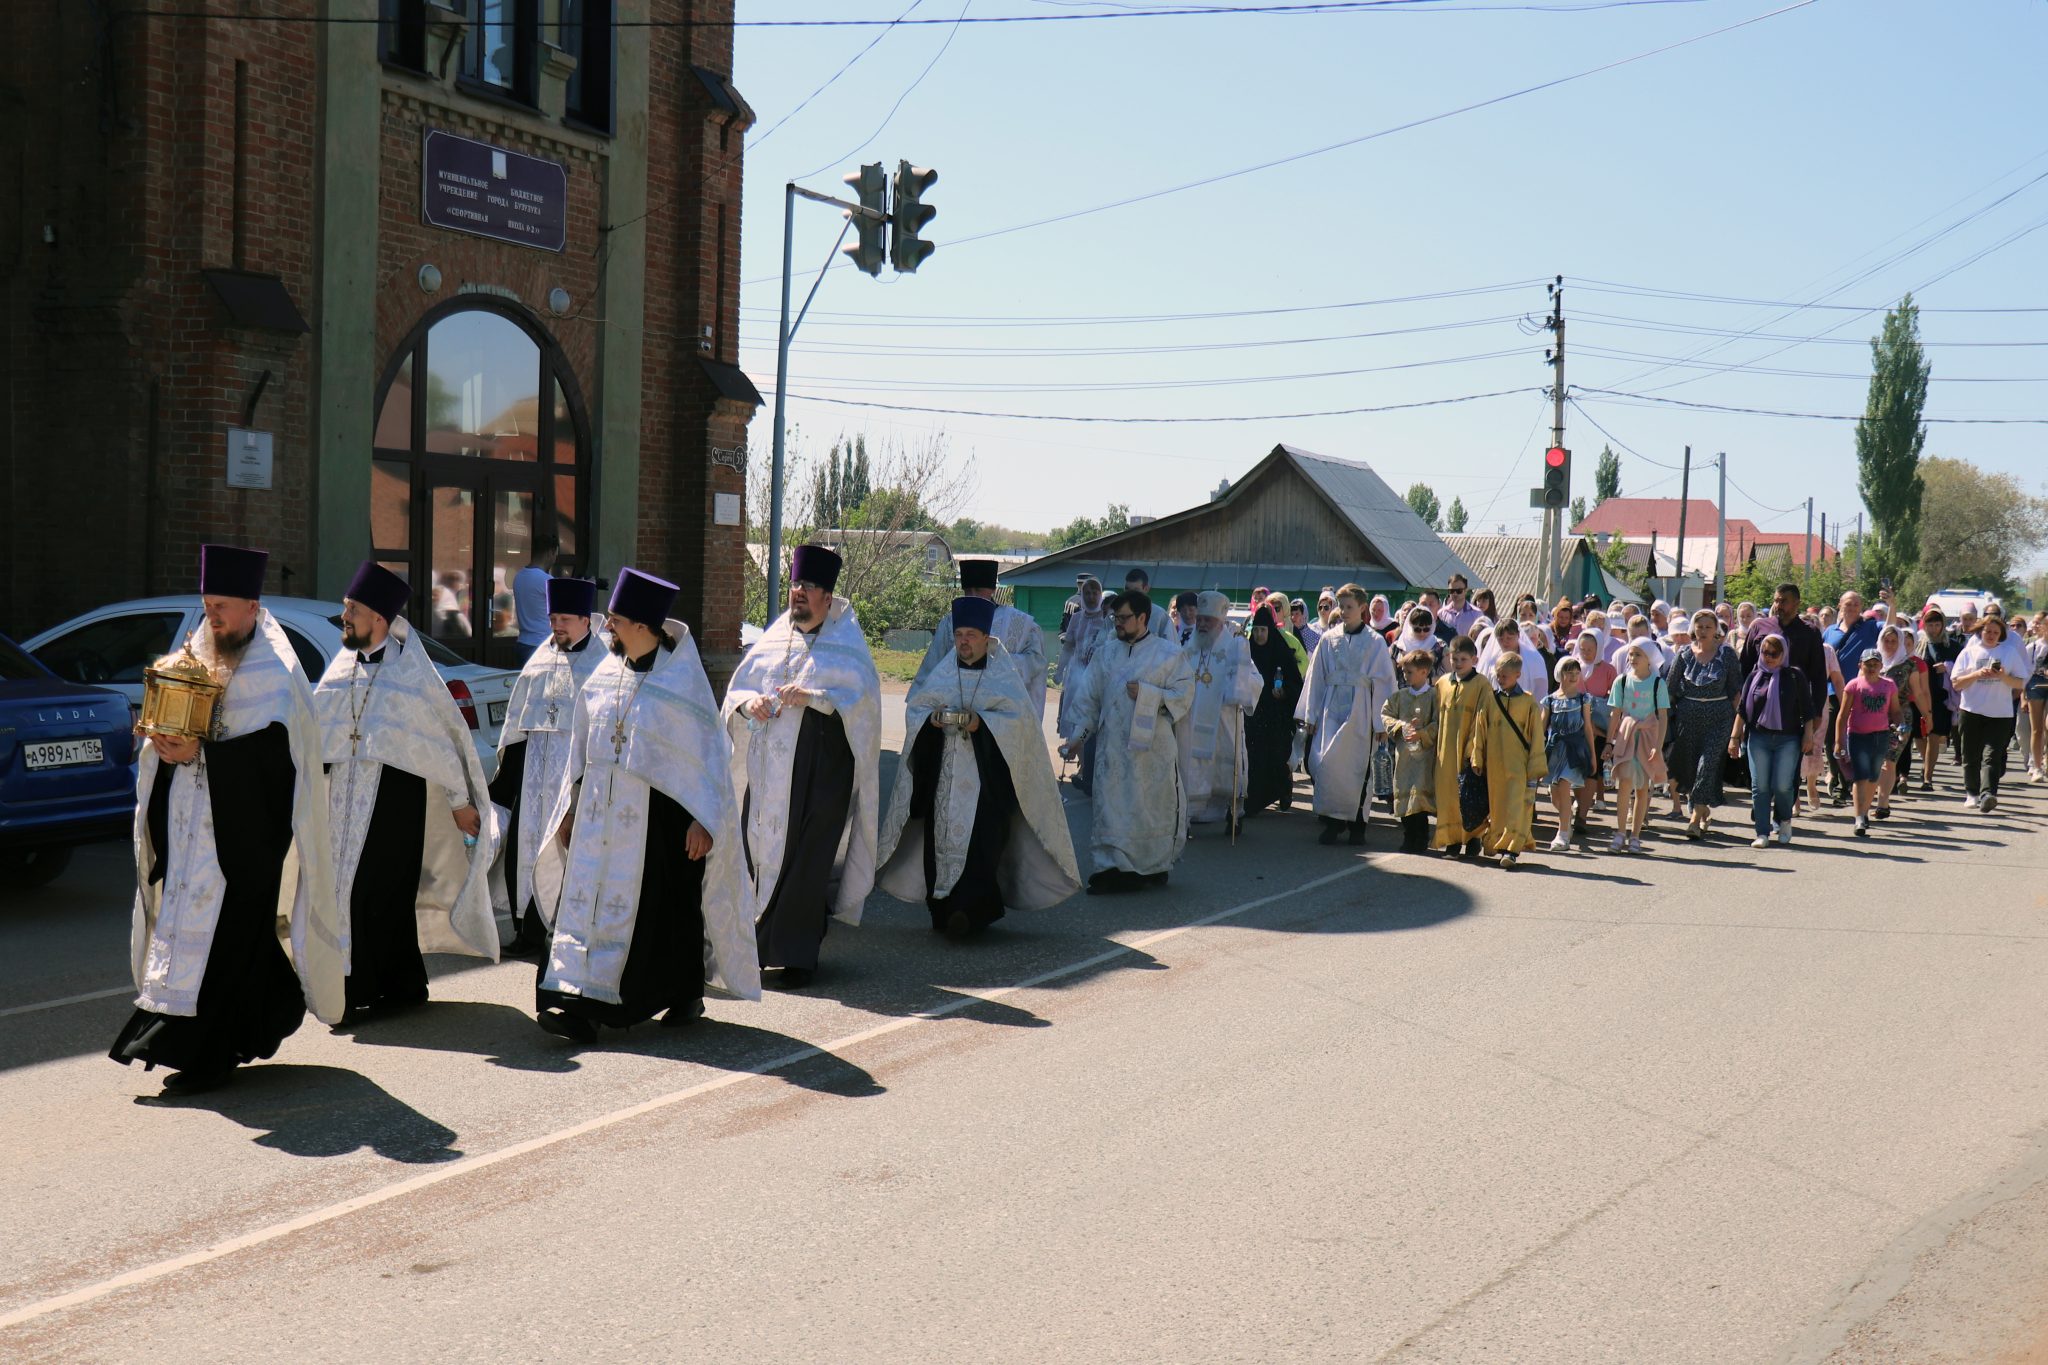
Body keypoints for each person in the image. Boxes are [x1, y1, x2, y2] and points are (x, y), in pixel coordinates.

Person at [110, 545, 343, 1093]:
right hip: (194, 832)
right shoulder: (196, 652)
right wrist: (161, 748)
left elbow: (278, 760)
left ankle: (206, 1058)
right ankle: (241, 1027)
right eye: (207, 605)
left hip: (245, 837)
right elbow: (169, 728)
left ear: (254, 608)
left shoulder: (278, 672)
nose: (210, 617)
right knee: (207, 940)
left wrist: (202, 755)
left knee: (230, 941)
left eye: (222, 607)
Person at [528, 570, 760, 1042]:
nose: (607, 628)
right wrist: (569, 809)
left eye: (614, 620)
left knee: (664, 912)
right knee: (584, 905)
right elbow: (580, 747)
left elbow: (709, 759)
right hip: (598, 818)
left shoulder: (681, 685)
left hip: (660, 819)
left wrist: (703, 820)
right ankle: (570, 1001)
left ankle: (674, 994)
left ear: (641, 625)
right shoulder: (604, 675)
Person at [312, 562, 498, 1018]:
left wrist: (459, 802)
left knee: (381, 894)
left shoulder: (413, 675)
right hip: (343, 803)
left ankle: (385, 987)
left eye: (352, 609)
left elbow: (440, 743)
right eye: (345, 609)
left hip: (397, 799)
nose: (345, 618)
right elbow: (317, 733)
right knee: (346, 891)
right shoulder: (340, 671)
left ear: (378, 617)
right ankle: (368, 985)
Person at [724, 545, 882, 989]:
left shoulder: (846, 644)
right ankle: (757, 943)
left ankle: (796, 954)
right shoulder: (775, 637)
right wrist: (747, 702)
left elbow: (864, 704)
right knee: (761, 851)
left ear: (827, 599)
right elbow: (738, 690)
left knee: (807, 861)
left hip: (820, 773)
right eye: (795, 585)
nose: (799, 593)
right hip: (769, 772)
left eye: (809, 587)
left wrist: (814, 698)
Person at [877, 597, 1081, 935]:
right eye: (959, 634)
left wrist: (982, 725)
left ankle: (971, 914)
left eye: (972, 634)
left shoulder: (1004, 675)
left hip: (987, 784)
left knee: (981, 849)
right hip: (944, 779)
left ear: (987, 638)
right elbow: (917, 711)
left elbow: (1020, 727)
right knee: (939, 842)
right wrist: (932, 721)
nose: (964, 642)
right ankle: (942, 911)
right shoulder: (944, 671)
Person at [489, 576, 605, 960]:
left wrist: (580, 795)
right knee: (523, 851)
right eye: (553, 617)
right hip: (534, 779)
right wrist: (504, 788)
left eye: (565, 619)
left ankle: (563, 935)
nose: (557, 625)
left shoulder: (602, 666)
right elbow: (518, 726)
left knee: (566, 857)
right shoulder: (539, 659)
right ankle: (525, 932)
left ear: (585, 620)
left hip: (573, 785)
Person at [1057, 590, 1196, 893]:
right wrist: (1077, 739)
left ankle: (1152, 866)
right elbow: (1089, 701)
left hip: (1152, 755)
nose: (1117, 623)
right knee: (1111, 807)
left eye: (1123, 618)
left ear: (1142, 618)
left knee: (1149, 809)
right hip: (1113, 752)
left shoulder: (1168, 655)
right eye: (1115, 618)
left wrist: (1150, 694)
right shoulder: (1106, 654)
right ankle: (1111, 867)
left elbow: (1184, 695)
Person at [1299, 583, 1397, 846]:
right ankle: (1332, 821)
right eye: (1340, 606)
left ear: (1362, 608)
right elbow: (1316, 677)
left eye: (1349, 607)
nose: (1343, 611)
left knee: (1358, 768)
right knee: (1328, 764)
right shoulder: (1329, 639)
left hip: (1361, 711)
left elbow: (1384, 683)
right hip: (1332, 707)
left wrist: (1381, 721)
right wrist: (1310, 714)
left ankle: (1357, 825)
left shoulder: (1375, 642)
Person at [913, 558, 1048, 720]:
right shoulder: (950, 622)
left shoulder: (1021, 623)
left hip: (998, 715)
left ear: (992, 589)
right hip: (956, 707)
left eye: (978, 590)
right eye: (968, 590)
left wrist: (994, 659)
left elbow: (1036, 664)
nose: (973, 596)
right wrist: (921, 710)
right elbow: (932, 666)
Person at [1178, 591, 1261, 828]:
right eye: (1200, 619)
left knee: (1226, 765)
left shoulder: (1235, 647)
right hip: (1192, 718)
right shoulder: (1189, 647)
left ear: (1221, 622)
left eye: (1208, 620)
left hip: (1223, 717)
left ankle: (1234, 813)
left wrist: (1238, 688)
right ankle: (1192, 811)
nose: (1202, 625)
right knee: (1193, 763)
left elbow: (1256, 680)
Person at [1731, 632, 1816, 848]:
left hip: (1788, 738)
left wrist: (1808, 736)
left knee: (1783, 785)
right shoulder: (1754, 676)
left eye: (1774, 653)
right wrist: (1734, 738)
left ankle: (1784, 820)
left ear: (1784, 653)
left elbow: (1807, 711)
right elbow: (1742, 710)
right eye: (1765, 652)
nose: (1769, 657)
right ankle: (1762, 832)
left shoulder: (1794, 676)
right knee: (1760, 786)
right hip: (1758, 736)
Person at [1665, 609, 1740, 841]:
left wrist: (1739, 727)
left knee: (1706, 767)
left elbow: (1736, 692)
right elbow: (1670, 690)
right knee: (1690, 769)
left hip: (1719, 719)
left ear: (1715, 629)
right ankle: (1702, 807)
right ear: (1693, 629)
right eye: (1700, 626)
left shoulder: (1726, 655)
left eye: (1709, 627)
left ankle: (1694, 821)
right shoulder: (1684, 655)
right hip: (1688, 719)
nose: (1704, 631)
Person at [1949, 611, 2029, 812]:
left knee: (1992, 756)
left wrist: (2003, 676)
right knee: (1971, 754)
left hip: (2000, 713)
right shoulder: (1969, 652)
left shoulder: (2009, 652)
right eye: (1988, 631)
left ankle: (1988, 794)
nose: (1991, 635)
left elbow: (2020, 682)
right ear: (1980, 631)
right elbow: (1956, 684)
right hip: (1971, 710)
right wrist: (1976, 674)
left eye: (1996, 632)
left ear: (2001, 634)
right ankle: (1971, 793)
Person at [1468, 654, 1541, 868]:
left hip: (1518, 764)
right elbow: (1480, 730)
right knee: (1497, 805)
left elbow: (1536, 736)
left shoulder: (1528, 702)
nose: (1500, 679)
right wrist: (1477, 758)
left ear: (1518, 675)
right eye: (1498, 675)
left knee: (1515, 806)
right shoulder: (1490, 699)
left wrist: (1534, 767)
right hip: (1494, 764)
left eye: (1505, 676)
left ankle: (1511, 849)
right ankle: (1496, 841)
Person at [1605, 643, 1669, 854]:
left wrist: (1658, 747)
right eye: (1631, 654)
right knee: (1624, 783)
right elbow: (1615, 713)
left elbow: (1662, 716)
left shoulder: (1657, 684)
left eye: (1638, 654)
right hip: (1626, 737)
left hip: (1647, 738)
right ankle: (1620, 832)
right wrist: (1609, 742)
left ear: (1649, 658)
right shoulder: (1621, 681)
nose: (1632, 658)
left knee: (1642, 789)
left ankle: (1635, 835)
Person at [1431, 636, 1488, 858]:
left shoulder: (1481, 684)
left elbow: (1481, 721)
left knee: (1468, 796)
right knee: (1447, 796)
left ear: (1474, 659)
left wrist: (1474, 752)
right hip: (1444, 751)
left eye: (1463, 659)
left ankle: (1473, 837)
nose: (1458, 663)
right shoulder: (1443, 683)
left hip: (1466, 750)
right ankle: (1452, 841)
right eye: (1454, 659)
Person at [1834, 648, 1901, 838]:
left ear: (1881, 666)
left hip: (1880, 736)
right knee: (1860, 776)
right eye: (1868, 664)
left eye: (1875, 664)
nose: (1871, 668)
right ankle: (1859, 817)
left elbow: (1895, 710)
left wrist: (1899, 725)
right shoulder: (1854, 686)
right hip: (1857, 736)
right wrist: (1839, 741)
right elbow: (1842, 715)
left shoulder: (1889, 686)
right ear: (1860, 666)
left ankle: (1864, 809)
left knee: (1873, 776)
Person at [1243, 606, 1303, 814]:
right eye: (1256, 630)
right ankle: (1254, 799)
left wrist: (1285, 692)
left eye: (1263, 630)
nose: (1259, 635)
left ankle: (1283, 787)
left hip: (1276, 715)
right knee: (1253, 757)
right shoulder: (1247, 652)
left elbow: (1296, 682)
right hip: (1253, 714)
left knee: (1275, 756)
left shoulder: (1281, 652)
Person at [1056, 575, 1113, 793]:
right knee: (1076, 719)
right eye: (1087, 593)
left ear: (1101, 594)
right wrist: (1060, 670)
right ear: (1081, 594)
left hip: (1096, 677)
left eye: (1094, 592)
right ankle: (1082, 765)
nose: (1090, 596)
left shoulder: (1107, 619)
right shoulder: (1077, 618)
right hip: (1076, 675)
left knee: (1091, 721)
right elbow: (1069, 646)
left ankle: (1088, 768)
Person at [1382, 650, 1438, 853]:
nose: (1405, 676)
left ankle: (1421, 837)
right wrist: (1401, 726)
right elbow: (1386, 714)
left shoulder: (1434, 696)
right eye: (1404, 672)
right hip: (1404, 756)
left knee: (1420, 801)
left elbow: (1438, 722)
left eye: (1410, 672)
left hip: (1425, 757)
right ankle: (1408, 835)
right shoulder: (1399, 696)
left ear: (1424, 672)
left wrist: (1422, 733)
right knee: (1404, 795)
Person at [1540, 656, 1597, 852]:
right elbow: (1541, 729)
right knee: (1556, 796)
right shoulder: (1550, 700)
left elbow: (1588, 728)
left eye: (1576, 673)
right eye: (1568, 673)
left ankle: (1562, 834)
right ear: (1559, 675)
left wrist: (1592, 755)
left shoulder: (1583, 699)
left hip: (1574, 750)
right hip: (1555, 750)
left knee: (1564, 784)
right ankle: (1567, 817)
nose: (1573, 677)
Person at [1875, 624, 1931, 817]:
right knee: (1875, 761)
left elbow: (1919, 692)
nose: (1889, 644)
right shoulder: (1872, 662)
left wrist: (1927, 715)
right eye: (1886, 641)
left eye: (1894, 641)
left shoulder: (1909, 665)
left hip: (1900, 718)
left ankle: (1883, 803)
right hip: (1872, 717)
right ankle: (1873, 797)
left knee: (1889, 761)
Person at [512, 534, 559, 662]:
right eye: (555, 554)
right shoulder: (547, 581)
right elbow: (564, 609)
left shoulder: (518, 577)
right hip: (541, 646)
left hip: (522, 643)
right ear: (550, 552)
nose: (555, 559)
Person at [1477, 617, 1545, 694]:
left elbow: (1540, 687)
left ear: (1518, 635)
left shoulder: (1533, 658)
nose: (1505, 642)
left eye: (1509, 638)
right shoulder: (1491, 660)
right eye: (1501, 639)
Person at [2023, 612, 2048, 782]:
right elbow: (2025, 672)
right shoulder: (2033, 647)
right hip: (2036, 684)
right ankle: (2037, 766)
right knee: (2036, 728)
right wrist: (2023, 696)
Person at [1389, 606, 1445, 680]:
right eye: (1417, 629)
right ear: (1410, 627)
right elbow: (1391, 676)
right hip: (1402, 690)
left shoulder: (1440, 646)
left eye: (1426, 629)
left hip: (1431, 690)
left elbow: (1449, 675)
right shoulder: (1397, 647)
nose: (1422, 633)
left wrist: (1430, 682)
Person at [1122, 567, 1172, 637]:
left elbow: (1171, 645)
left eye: (1136, 591)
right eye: (1127, 590)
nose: (1131, 595)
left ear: (1146, 589)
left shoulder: (1159, 615)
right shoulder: (1116, 614)